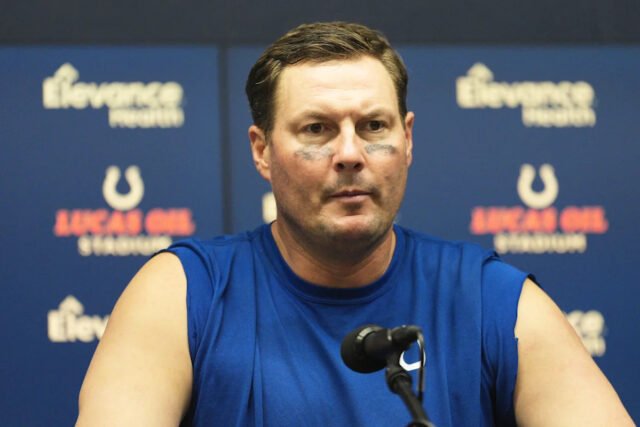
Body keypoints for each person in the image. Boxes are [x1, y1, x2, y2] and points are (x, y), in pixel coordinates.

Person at [76, 22, 634, 426]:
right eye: (317, 129)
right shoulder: (182, 292)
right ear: (262, 150)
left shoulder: (493, 298)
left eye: (373, 127)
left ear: (407, 140)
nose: (349, 154)